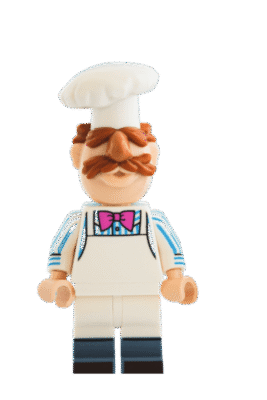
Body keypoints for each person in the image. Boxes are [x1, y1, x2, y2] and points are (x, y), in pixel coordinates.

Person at [37, 62, 198, 374]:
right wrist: (56, 282)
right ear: (77, 157)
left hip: (143, 294)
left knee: (144, 356)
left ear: (153, 154)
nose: (120, 155)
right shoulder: (77, 222)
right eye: (102, 146)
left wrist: (176, 279)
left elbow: (172, 256)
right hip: (90, 295)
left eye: (132, 143)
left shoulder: (155, 221)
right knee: (92, 356)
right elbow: (59, 258)